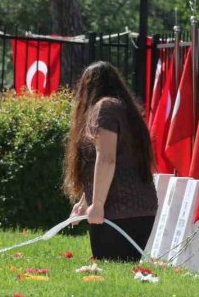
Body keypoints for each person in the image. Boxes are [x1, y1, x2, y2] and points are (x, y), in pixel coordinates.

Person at [63, 61, 158, 261]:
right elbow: (105, 162)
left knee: (109, 265)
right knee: (117, 267)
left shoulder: (105, 108)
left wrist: (97, 204)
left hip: (120, 209)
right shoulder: (122, 109)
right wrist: (84, 202)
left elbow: (106, 158)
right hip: (136, 208)